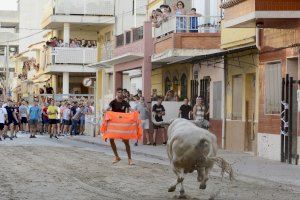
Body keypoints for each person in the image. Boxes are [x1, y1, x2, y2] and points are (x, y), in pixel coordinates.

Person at [107, 88, 134, 165]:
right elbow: (108, 109)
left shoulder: (125, 102)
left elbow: (130, 109)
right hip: (114, 124)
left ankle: (130, 159)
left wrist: (135, 112)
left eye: (121, 92)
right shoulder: (113, 102)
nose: (120, 93)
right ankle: (116, 157)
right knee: (111, 139)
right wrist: (105, 110)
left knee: (126, 141)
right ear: (116, 93)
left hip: (122, 124)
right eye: (119, 92)